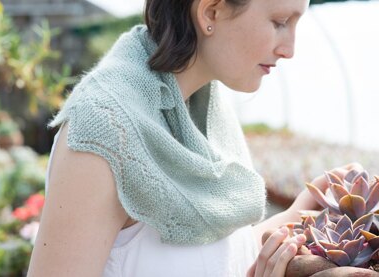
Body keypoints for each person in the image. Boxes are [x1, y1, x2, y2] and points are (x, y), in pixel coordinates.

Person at [26, 0, 360, 276]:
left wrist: (301, 212)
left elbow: (204, 258)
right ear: (210, 12)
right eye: (280, 22)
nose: (290, 49)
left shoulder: (205, 110)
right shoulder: (104, 130)